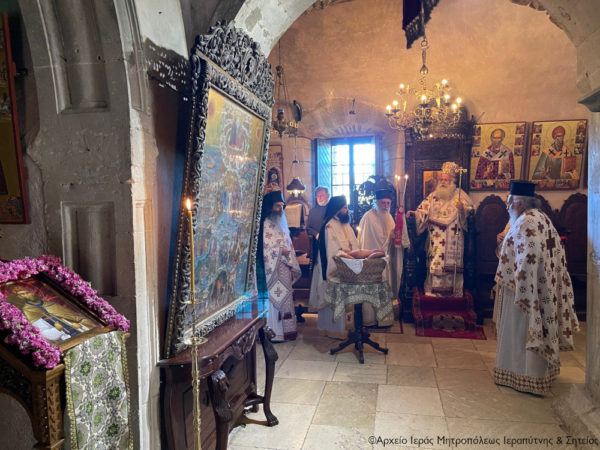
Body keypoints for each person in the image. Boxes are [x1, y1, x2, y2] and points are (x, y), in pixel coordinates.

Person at [494, 180, 579, 395]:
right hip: (540, 286)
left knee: (521, 331)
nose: (508, 206)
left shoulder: (526, 222)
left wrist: (520, 283)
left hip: (524, 288)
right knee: (527, 329)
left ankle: (522, 375)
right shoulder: (542, 218)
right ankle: (536, 374)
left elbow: (526, 258)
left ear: (520, 203)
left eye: (510, 201)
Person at [407, 161, 474, 297]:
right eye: (442, 179)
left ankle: (453, 291)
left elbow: (471, 210)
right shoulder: (433, 196)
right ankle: (434, 290)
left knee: (451, 265)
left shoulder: (460, 195)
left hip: (453, 236)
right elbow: (423, 209)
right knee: (436, 261)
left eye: (446, 180)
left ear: (452, 181)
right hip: (436, 237)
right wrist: (415, 214)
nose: (443, 182)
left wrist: (462, 209)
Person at [357, 189, 409, 326]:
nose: (386, 206)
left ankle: (384, 320)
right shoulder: (368, 218)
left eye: (388, 203)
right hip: (371, 263)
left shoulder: (389, 217)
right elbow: (365, 242)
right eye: (383, 203)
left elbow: (391, 239)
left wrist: (397, 232)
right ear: (376, 202)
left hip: (384, 262)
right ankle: (370, 319)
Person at [308, 195, 357, 338]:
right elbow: (331, 250)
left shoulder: (345, 224)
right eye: (344, 207)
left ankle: (347, 328)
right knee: (332, 299)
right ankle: (333, 330)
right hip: (333, 270)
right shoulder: (329, 226)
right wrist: (345, 253)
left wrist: (354, 254)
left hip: (347, 267)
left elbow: (354, 243)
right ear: (337, 209)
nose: (347, 210)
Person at [256, 190, 302, 341]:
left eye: (282, 206)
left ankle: (287, 331)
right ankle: (275, 334)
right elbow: (263, 249)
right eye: (277, 206)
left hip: (284, 268)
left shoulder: (282, 223)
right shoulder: (264, 225)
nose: (280, 209)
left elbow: (289, 246)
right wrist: (280, 251)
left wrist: (291, 266)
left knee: (286, 298)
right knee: (274, 299)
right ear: (270, 206)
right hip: (272, 271)